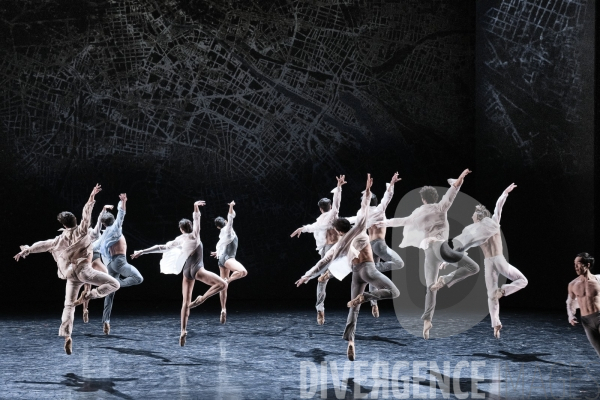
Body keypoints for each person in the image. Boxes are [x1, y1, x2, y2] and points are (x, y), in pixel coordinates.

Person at [296, 174, 399, 361]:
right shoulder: (359, 227)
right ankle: (368, 297)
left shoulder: (339, 245)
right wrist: (368, 191)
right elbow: (364, 209)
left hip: (355, 274)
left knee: (354, 310)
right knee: (394, 292)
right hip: (368, 269)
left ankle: (351, 342)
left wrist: (306, 276)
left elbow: (322, 262)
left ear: (337, 231)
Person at [13, 184, 120, 354]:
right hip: (84, 270)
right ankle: (89, 295)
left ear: (63, 225)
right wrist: (91, 197)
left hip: (70, 273)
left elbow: (44, 245)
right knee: (114, 284)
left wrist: (28, 249)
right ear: (74, 221)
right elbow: (87, 215)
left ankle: (68, 336)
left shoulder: (60, 239)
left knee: (68, 305)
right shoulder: (82, 231)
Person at [376, 169, 479, 339]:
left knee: (431, 288)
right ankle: (445, 280)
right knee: (473, 267)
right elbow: (452, 192)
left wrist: (383, 222)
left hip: (428, 253)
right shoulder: (440, 207)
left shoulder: (417, 213)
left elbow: (401, 221)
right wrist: (460, 177)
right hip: (441, 248)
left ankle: (427, 321)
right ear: (434, 198)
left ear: (423, 199)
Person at [131, 200, 227, 346]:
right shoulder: (195, 235)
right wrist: (195, 206)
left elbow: (161, 247)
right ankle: (202, 298)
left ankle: (183, 330)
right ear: (190, 227)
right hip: (198, 270)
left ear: (181, 230)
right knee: (223, 284)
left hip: (187, 271)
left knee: (185, 303)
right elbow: (197, 218)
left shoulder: (179, 239)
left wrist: (142, 251)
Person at [446, 183, 526, 338]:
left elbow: (462, 249)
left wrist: (448, 261)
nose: (471, 217)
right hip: (499, 260)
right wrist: (505, 193)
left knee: (491, 295)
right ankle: (501, 300)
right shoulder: (493, 224)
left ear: (479, 216)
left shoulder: (475, 232)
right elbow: (498, 206)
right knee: (522, 281)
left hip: (489, 263)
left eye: (473, 215)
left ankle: (496, 322)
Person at [343, 172, 404, 318]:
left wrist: (334, 222)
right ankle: (373, 293)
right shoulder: (378, 210)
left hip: (369, 246)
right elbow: (387, 198)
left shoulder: (361, 214)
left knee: (374, 277)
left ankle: (374, 304)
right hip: (379, 244)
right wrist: (392, 184)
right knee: (399, 263)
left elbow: (348, 220)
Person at [290, 175, 346, 325]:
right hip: (330, 248)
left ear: (321, 209)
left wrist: (339, 188)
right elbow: (335, 206)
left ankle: (320, 307)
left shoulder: (328, 217)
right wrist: (339, 187)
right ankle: (320, 308)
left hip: (335, 248)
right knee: (323, 277)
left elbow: (336, 204)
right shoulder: (325, 218)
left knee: (323, 277)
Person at [97, 194, 143, 335]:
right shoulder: (115, 229)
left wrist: (103, 211)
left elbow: (97, 231)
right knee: (138, 278)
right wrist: (123, 202)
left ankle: (106, 321)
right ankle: (115, 283)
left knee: (109, 295)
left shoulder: (103, 235)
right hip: (119, 261)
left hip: (110, 264)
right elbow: (121, 214)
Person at [210, 200, 247, 324]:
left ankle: (223, 309)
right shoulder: (228, 229)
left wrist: (217, 253)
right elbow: (230, 217)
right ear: (224, 223)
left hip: (222, 259)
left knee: (224, 288)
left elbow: (221, 245)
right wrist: (231, 206)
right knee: (242, 272)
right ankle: (227, 280)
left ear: (217, 227)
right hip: (227, 258)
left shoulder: (221, 234)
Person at [81, 204, 113, 323]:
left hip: (90, 259)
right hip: (91, 259)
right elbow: (99, 222)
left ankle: (86, 307)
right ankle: (87, 306)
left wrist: (104, 208)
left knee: (89, 285)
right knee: (93, 283)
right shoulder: (88, 233)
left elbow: (99, 220)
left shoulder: (88, 233)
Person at [567, 253, 600, 358]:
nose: (576, 266)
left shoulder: (598, 281)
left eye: (579, 264)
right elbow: (569, 302)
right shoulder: (573, 284)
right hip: (586, 321)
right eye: (574, 264)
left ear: (588, 265)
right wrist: (571, 316)